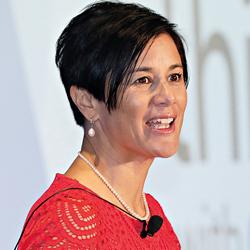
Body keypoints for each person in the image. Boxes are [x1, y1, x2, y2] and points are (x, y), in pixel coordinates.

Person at [16, 1, 188, 249]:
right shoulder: (69, 222)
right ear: (87, 102)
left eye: (175, 77)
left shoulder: (150, 215)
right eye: (142, 80)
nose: (167, 97)